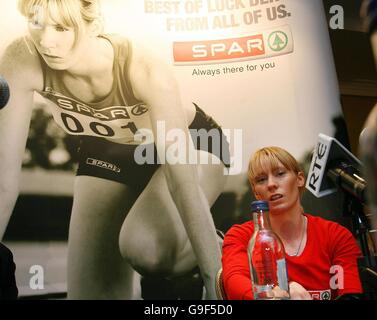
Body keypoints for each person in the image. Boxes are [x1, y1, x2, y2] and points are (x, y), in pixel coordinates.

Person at [0, 0, 229, 299]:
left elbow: (181, 180)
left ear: (93, 26)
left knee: (146, 250)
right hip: (108, 150)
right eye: (36, 22)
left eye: (61, 27)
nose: (45, 40)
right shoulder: (21, 58)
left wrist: (216, 279)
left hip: (193, 145)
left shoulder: (144, 68)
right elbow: (4, 180)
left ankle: (227, 250)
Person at [222, 146, 363, 300]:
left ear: (300, 179)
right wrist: (275, 296)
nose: (271, 184)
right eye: (261, 179)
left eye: (280, 174)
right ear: (256, 192)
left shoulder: (336, 235)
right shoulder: (241, 236)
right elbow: (234, 283)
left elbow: (352, 294)